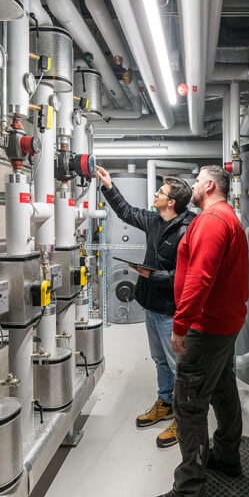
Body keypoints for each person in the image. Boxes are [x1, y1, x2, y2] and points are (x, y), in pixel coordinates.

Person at [146, 164, 249, 497]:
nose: (191, 185)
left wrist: (181, 324)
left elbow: (200, 278)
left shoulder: (210, 221)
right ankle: (227, 456)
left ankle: (190, 493)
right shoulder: (228, 218)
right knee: (223, 388)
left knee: (189, 405)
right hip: (225, 324)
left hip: (206, 328)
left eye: (196, 180)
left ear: (207, 184)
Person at [95, 166, 194, 448]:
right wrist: (109, 186)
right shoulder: (155, 220)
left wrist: (155, 276)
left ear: (171, 202)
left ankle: (183, 420)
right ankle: (165, 403)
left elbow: (189, 275)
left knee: (178, 367)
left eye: (161, 192)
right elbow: (126, 212)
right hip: (151, 303)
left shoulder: (190, 228)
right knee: (161, 360)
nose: (156, 194)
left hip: (171, 308)